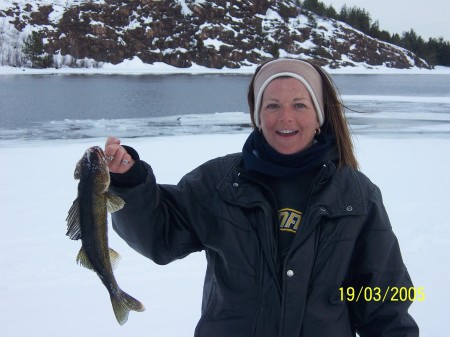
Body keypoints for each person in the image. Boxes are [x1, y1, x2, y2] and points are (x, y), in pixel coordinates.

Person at [105, 58, 419, 337]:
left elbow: (382, 301)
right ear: (257, 115)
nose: (285, 118)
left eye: (299, 105)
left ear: (319, 115)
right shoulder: (218, 182)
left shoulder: (357, 195)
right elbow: (160, 237)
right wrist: (131, 182)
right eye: (272, 105)